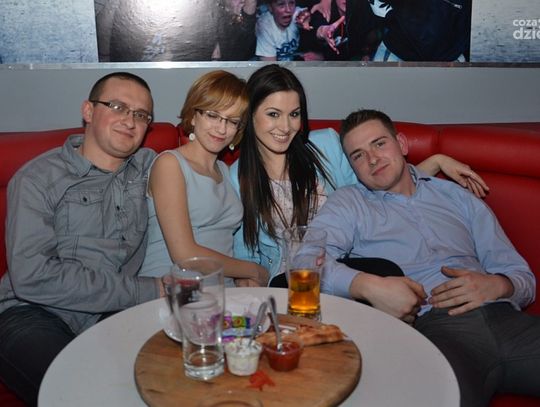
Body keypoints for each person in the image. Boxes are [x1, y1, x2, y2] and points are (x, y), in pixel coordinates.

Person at [310, 108, 540, 406]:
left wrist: (498, 285)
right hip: (437, 329)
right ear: (353, 167)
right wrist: (366, 285)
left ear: (402, 144)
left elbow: (522, 276)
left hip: (508, 320)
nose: (372, 159)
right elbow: (307, 259)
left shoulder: (457, 196)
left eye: (379, 144)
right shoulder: (349, 203)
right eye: (358, 155)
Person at [231, 64, 489, 286]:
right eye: (273, 114)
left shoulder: (326, 145)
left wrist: (436, 161)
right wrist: (245, 280)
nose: (286, 127)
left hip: (343, 269)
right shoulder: (237, 177)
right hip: (288, 280)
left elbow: (375, 189)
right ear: (251, 114)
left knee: (387, 271)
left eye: (294, 114)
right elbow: (247, 255)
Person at [0, 72, 164, 406]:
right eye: (117, 106)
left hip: (111, 316)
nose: (130, 121)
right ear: (88, 111)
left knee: (166, 381)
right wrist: (150, 290)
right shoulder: (38, 179)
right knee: (82, 395)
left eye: (141, 114)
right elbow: (32, 277)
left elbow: (203, 163)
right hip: (32, 313)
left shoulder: (151, 169)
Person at [139, 70, 268, 287]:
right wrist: (254, 270)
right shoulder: (170, 164)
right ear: (193, 115)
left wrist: (240, 277)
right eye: (212, 115)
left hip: (222, 290)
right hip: (173, 289)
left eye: (232, 121)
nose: (221, 128)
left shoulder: (225, 171)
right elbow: (184, 254)